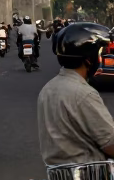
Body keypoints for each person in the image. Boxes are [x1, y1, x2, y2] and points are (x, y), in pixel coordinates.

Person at [38, 22, 114, 166]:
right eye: (98, 53)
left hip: (59, 176)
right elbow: (109, 142)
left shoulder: (48, 89)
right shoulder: (83, 93)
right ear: (88, 59)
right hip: (90, 178)